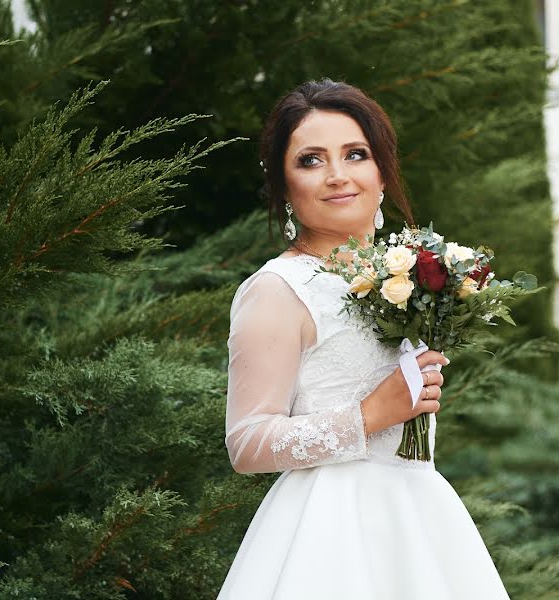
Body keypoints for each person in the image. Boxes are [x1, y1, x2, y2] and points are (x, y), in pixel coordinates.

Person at [217, 79, 510, 599]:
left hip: (419, 516)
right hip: (327, 532)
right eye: (310, 160)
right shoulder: (277, 290)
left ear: (381, 172)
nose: (337, 176)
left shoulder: (410, 280)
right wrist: (369, 416)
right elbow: (246, 441)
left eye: (355, 154)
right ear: (284, 187)